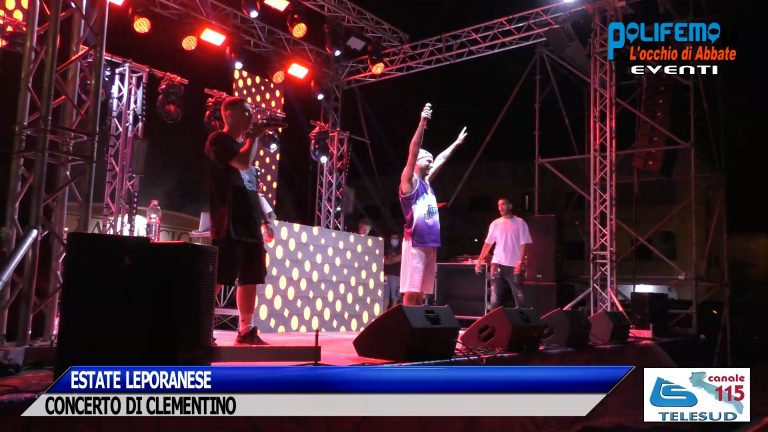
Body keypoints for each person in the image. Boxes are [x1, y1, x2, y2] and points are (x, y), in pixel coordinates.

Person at [204, 97, 275, 345]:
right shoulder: (218, 140)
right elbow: (242, 162)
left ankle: (246, 330)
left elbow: (251, 188)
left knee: (251, 275)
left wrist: (264, 220)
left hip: (249, 222)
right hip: (229, 221)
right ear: (229, 115)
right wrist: (253, 138)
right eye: (246, 112)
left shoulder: (244, 146)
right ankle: (199, 327)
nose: (251, 116)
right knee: (221, 276)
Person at [399, 103, 468, 306]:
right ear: (417, 162)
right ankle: (407, 321)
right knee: (412, 289)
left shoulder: (427, 183)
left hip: (430, 244)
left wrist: (456, 143)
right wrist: (422, 123)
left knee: (422, 292)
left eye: (431, 160)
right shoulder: (409, 182)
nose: (431, 163)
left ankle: (418, 321)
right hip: (416, 242)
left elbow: (441, 159)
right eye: (427, 160)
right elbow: (413, 150)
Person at [474, 198, 532, 310]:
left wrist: (520, 262)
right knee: (495, 298)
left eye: (503, 204)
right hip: (497, 264)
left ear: (510, 206)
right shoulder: (495, 223)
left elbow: (523, 244)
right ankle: (495, 320)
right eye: (498, 205)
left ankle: (523, 319)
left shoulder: (520, 223)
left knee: (520, 298)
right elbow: (488, 243)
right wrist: (479, 261)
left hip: (513, 266)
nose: (500, 207)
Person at [383, 233, 402, 309]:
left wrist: (390, 259)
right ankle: (383, 314)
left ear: (399, 239)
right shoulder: (386, 248)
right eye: (393, 238)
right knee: (385, 297)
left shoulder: (401, 249)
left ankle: (393, 314)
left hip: (396, 276)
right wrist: (394, 259)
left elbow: (399, 258)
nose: (394, 239)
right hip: (385, 276)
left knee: (395, 297)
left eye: (396, 238)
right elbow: (384, 261)